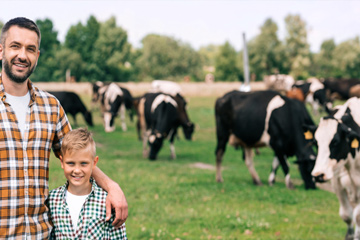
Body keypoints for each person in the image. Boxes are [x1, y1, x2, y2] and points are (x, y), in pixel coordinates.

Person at [0, 17, 127, 239]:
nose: (22, 55)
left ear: (37, 56)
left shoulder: (50, 107)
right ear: (1, 50)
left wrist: (112, 186)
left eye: (30, 49)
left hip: (41, 234)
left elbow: (78, 154)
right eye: (15, 46)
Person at [47, 128, 127, 239]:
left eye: (83, 163)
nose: (77, 170)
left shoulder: (106, 202)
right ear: (62, 162)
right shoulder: (52, 200)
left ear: (94, 163)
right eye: (71, 163)